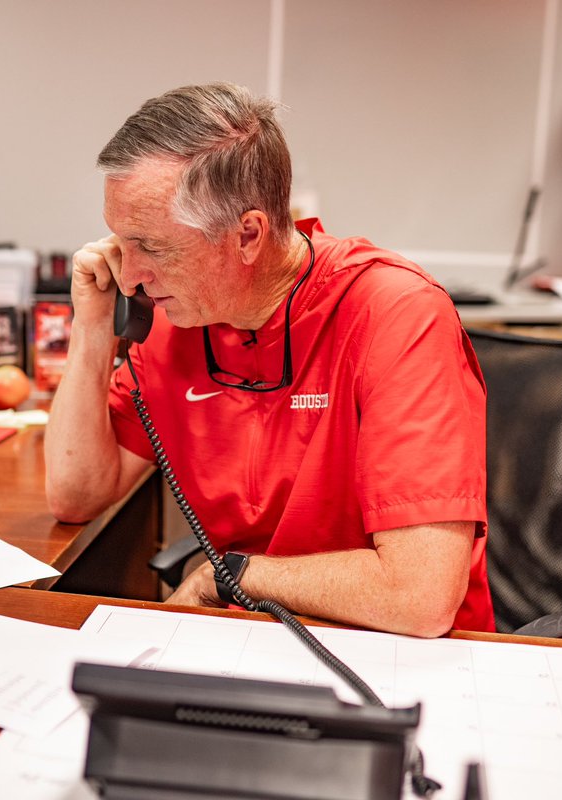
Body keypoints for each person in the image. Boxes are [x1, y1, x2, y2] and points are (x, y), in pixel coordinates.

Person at [44, 83, 493, 636]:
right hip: (255, 636)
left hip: (395, 651)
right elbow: (76, 495)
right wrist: (92, 327)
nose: (129, 274)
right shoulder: (177, 316)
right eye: (120, 242)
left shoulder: (396, 315)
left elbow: (419, 599)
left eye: (152, 247)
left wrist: (227, 576)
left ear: (248, 235)